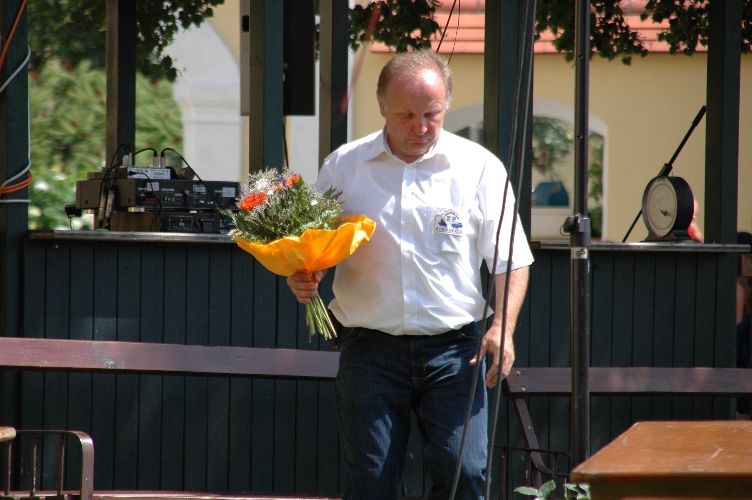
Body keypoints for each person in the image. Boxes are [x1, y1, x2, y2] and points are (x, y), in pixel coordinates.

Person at [287, 50, 533, 500]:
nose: (420, 127)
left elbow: (511, 258)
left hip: (457, 352)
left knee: (467, 477)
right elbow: (312, 251)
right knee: (371, 484)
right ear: (381, 105)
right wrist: (303, 276)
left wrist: (504, 326)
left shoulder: (479, 168)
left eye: (432, 114)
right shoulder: (344, 166)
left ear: (446, 106)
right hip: (370, 349)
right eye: (406, 115)